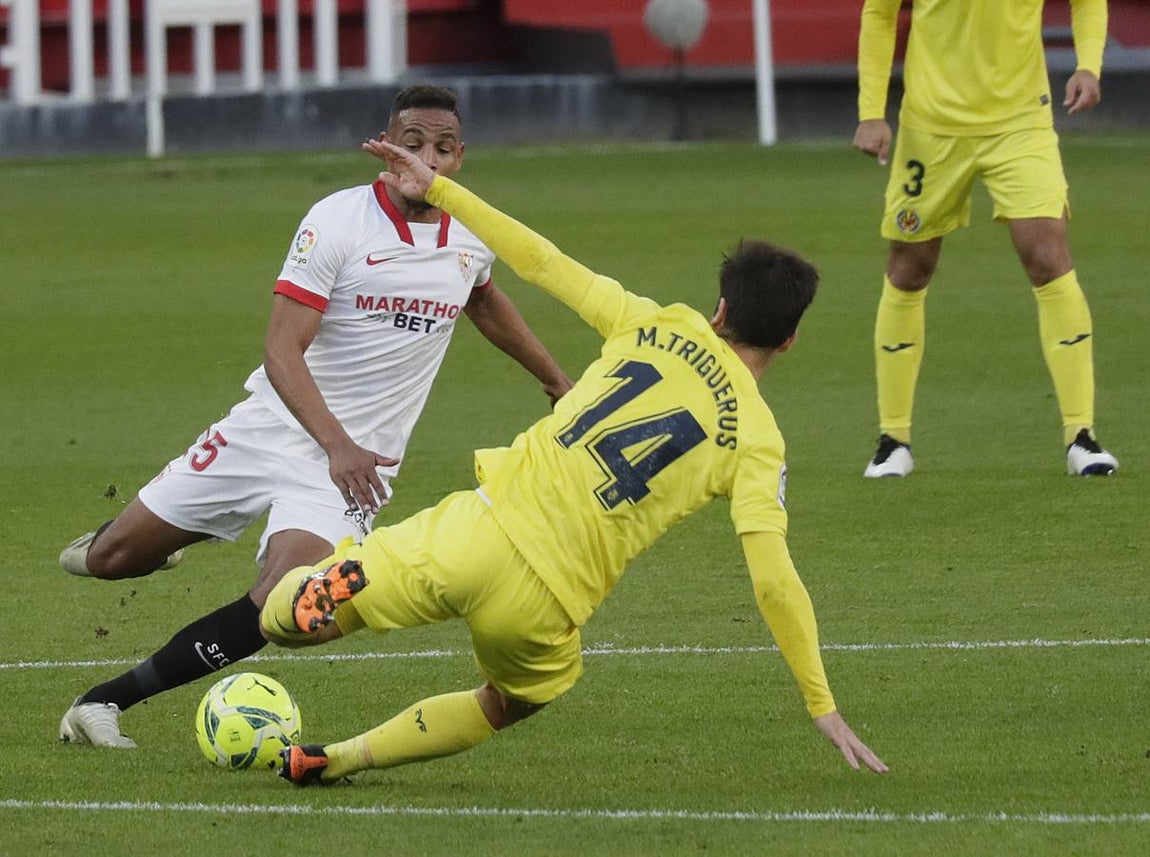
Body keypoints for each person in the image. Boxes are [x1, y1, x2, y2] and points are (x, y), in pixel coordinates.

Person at [258, 138, 889, 787]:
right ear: (788, 339)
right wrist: (822, 702)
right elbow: (774, 578)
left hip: (477, 527)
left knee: (284, 617)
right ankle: (338, 758)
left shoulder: (654, 322)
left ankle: (331, 578)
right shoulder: (757, 439)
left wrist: (439, 189)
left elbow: (541, 260)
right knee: (511, 701)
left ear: (720, 309)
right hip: (548, 598)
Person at [56, 85, 573, 749]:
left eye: (443, 147)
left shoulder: (469, 235)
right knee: (112, 560)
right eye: (413, 142)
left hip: (352, 472)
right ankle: (149, 539)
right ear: (386, 148)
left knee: (285, 604)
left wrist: (556, 379)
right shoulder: (337, 221)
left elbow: (483, 299)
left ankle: (102, 703)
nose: (429, 159)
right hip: (274, 427)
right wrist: (335, 442)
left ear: (461, 157)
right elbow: (281, 350)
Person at [853, 0, 1118, 478]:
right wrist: (871, 110)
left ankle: (1082, 436)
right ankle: (893, 439)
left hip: (1020, 121)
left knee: (1048, 256)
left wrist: (1088, 64)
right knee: (909, 268)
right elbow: (879, 14)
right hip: (931, 126)